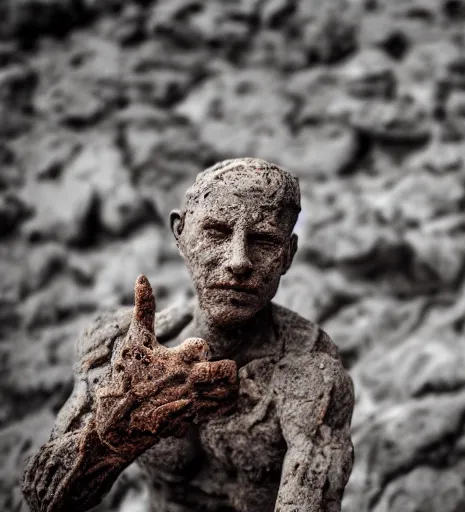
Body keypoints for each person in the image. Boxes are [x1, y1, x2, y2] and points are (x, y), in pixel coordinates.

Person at [21, 158, 355, 512]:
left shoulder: (311, 373)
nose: (239, 260)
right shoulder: (120, 346)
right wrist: (111, 437)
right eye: (216, 232)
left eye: (264, 240)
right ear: (180, 234)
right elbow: (42, 499)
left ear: (288, 255)